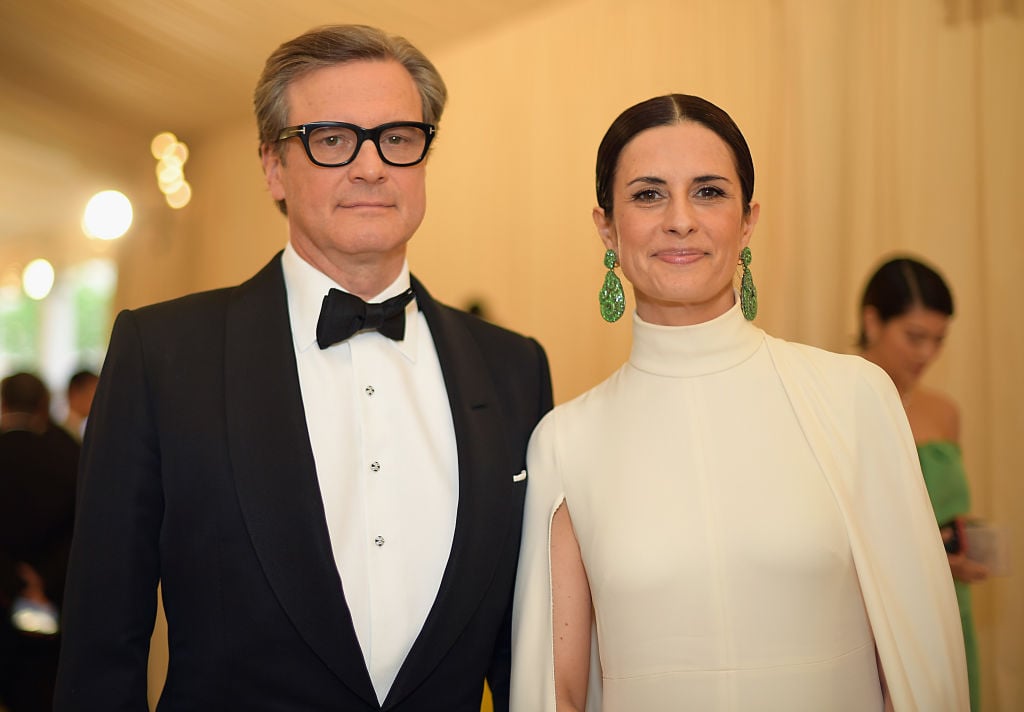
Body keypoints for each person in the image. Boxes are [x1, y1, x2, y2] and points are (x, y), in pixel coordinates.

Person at [54, 24, 552, 711]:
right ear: (273, 166)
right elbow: (103, 646)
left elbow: (523, 643)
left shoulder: (514, 368)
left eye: (398, 138)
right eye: (332, 138)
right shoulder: (163, 354)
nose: (371, 166)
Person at [510, 94, 968, 711]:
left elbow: (915, 669)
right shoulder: (566, 441)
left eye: (708, 192)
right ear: (606, 228)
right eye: (648, 194)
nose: (680, 220)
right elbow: (557, 691)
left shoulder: (853, 397)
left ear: (748, 220)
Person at [860, 256, 987, 711]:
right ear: (872, 321)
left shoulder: (944, 411)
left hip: (948, 603)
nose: (927, 354)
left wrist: (964, 540)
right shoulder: (838, 399)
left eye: (939, 340)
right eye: (914, 337)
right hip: (879, 610)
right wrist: (927, 550)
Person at [0, 373, 79, 712]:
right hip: (51, 603)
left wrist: (13, 579)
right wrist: (41, 580)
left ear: (3, 403)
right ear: (43, 407)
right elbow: (79, 528)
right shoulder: (69, 455)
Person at [61, 370, 98, 442]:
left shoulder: (79, 430)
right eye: (92, 393)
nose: (97, 400)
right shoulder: (67, 434)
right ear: (75, 393)